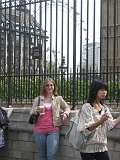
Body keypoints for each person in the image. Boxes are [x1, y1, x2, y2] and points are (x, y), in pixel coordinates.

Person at [77, 79, 120, 160]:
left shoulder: (105, 108)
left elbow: (111, 125)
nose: (104, 92)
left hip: (102, 147)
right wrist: (101, 121)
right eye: (102, 90)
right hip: (88, 147)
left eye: (106, 90)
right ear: (94, 91)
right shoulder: (87, 107)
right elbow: (89, 128)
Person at [30, 78, 70, 160]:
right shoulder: (38, 99)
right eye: (47, 85)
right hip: (39, 130)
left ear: (54, 86)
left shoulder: (58, 98)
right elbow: (31, 111)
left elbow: (67, 107)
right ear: (44, 87)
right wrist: (35, 110)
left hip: (53, 130)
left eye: (51, 85)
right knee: (41, 155)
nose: (49, 87)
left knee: (52, 156)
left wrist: (66, 113)